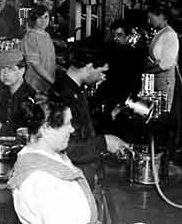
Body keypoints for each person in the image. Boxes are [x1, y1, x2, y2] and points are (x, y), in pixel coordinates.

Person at [8, 94, 101, 224]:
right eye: (67, 123)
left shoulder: (50, 156)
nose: (72, 129)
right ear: (46, 129)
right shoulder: (40, 179)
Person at [52, 46, 129, 186]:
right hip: (70, 179)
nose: (103, 77)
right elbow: (70, 149)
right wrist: (104, 142)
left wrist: (108, 117)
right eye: (102, 72)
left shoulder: (73, 89)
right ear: (88, 67)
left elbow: (82, 125)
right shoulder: (63, 96)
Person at [0, 49, 36, 134]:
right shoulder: (3, 93)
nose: (5, 73)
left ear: (22, 71)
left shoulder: (29, 98)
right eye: (2, 69)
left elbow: (30, 131)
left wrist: (1, 128)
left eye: (11, 69)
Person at [144, 1, 179, 112]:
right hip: (158, 78)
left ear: (161, 16)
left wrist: (146, 72)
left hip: (165, 80)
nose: (148, 21)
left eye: (151, 18)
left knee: (163, 111)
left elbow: (166, 64)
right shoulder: (161, 32)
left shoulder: (170, 35)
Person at [21, 4, 56, 93]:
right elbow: (35, 64)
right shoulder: (31, 36)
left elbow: (46, 57)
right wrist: (53, 81)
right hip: (34, 84)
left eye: (46, 17)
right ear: (34, 19)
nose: (43, 21)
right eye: (39, 18)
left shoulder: (46, 35)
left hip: (46, 82)